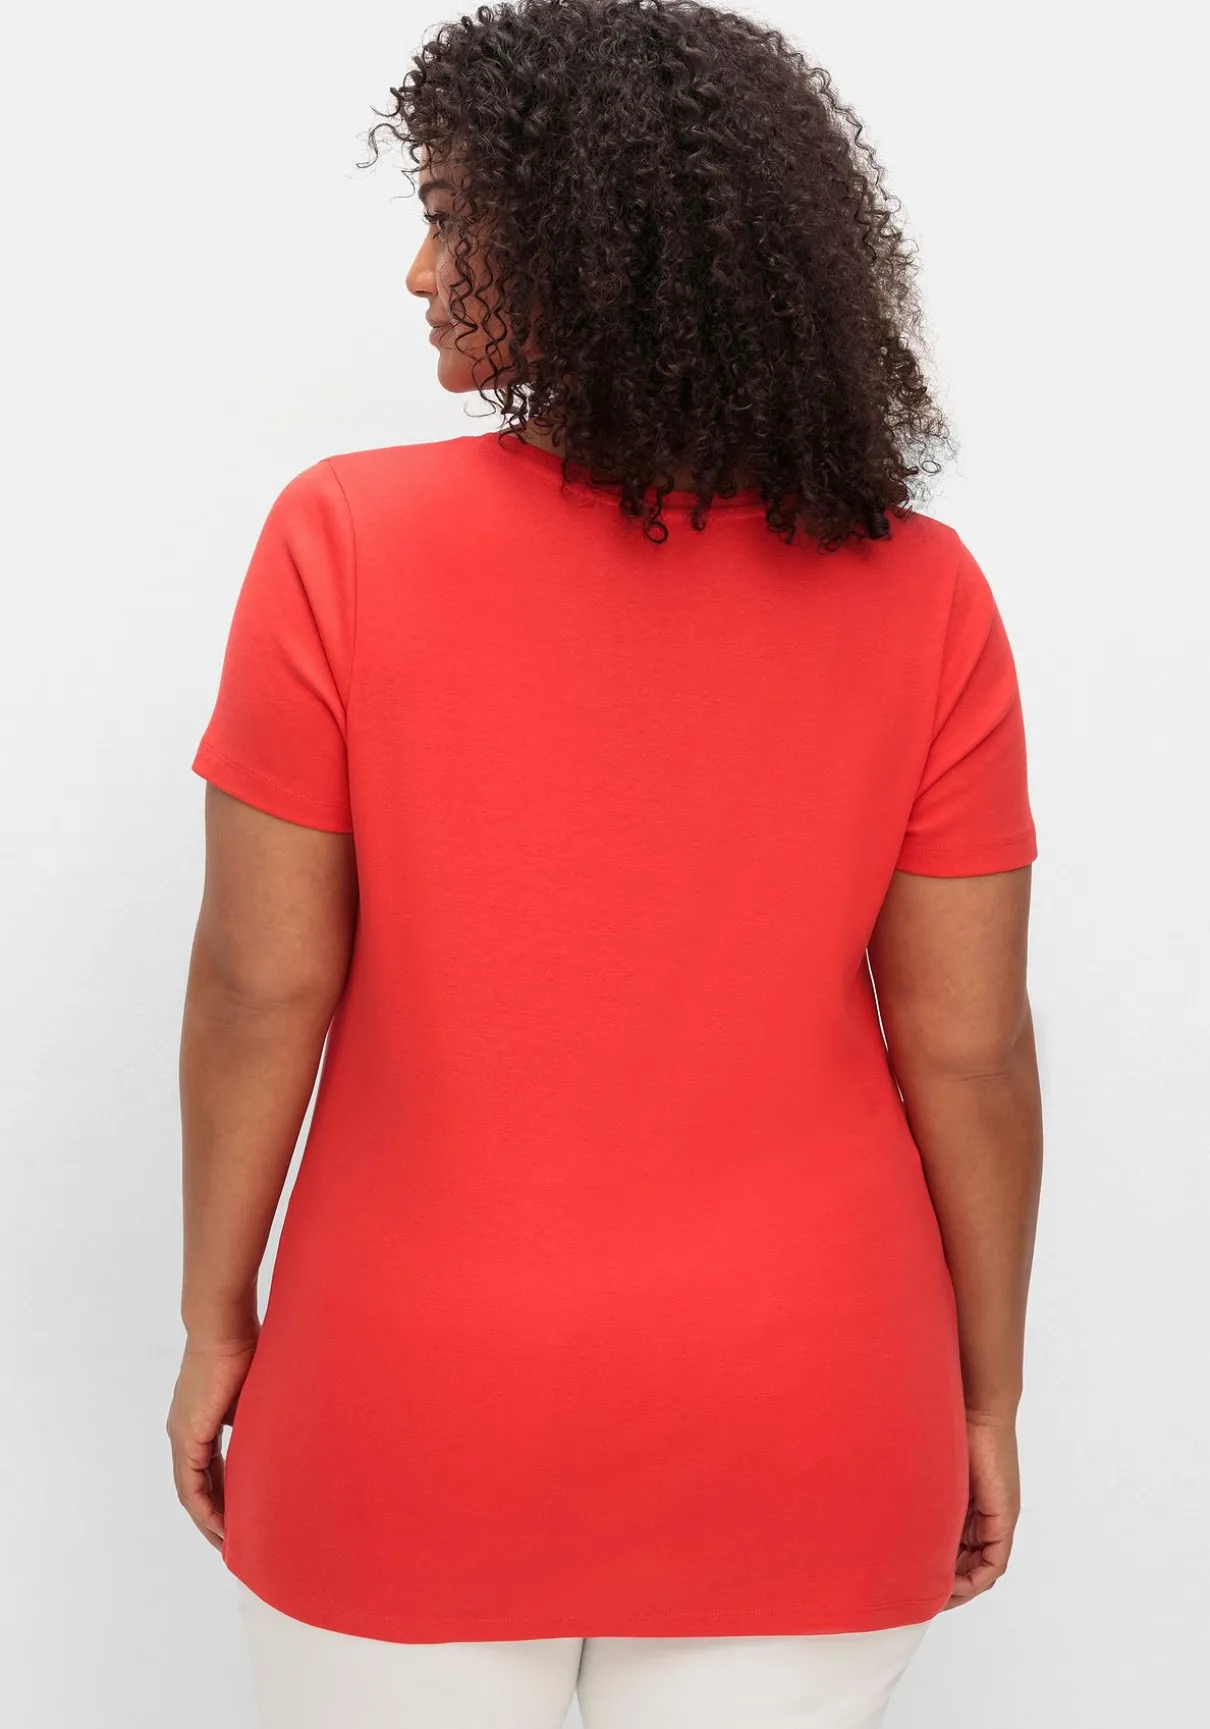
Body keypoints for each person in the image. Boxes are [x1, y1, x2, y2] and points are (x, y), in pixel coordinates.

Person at [168, 3, 1044, 1725]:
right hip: (811, 1399)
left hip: (409, 1394)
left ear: (587, 241)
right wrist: (984, 1393)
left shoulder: (343, 539)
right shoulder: (922, 592)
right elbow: (968, 1050)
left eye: (450, 218)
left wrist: (216, 1316)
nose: (420, 273)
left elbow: (262, 986)